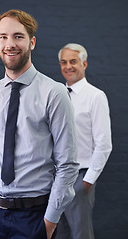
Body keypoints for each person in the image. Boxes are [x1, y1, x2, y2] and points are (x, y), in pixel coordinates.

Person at [0, 9, 79, 239]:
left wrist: (48, 223)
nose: (10, 44)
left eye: (18, 36)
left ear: (32, 42)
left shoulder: (54, 93)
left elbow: (67, 165)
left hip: (33, 217)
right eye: (3, 37)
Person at [56, 43, 112, 239]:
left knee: (80, 234)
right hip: (56, 176)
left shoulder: (95, 96)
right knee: (59, 232)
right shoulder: (57, 95)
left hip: (81, 176)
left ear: (84, 64)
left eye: (73, 62)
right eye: (64, 62)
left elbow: (104, 142)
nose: (68, 67)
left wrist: (87, 181)